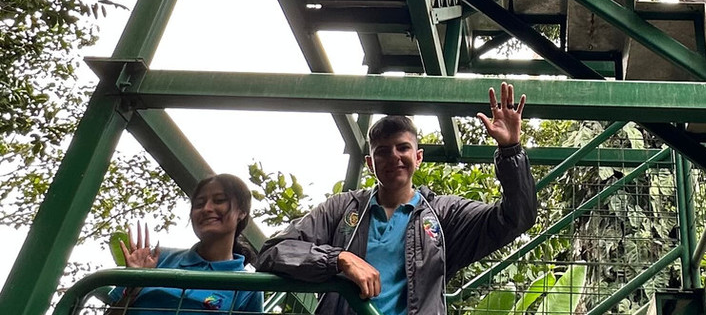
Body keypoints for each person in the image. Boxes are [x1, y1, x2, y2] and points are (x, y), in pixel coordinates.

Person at [256, 83, 537, 315]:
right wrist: (339, 259)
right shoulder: (341, 209)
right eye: (382, 151)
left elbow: (516, 218)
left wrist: (511, 150)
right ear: (369, 163)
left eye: (403, 148)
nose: (394, 157)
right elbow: (273, 252)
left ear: (418, 157)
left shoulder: (443, 213)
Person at [108, 174, 263, 315]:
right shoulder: (157, 259)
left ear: (242, 212)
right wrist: (133, 288)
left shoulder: (248, 287)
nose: (207, 208)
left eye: (219, 200)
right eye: (199, 204)